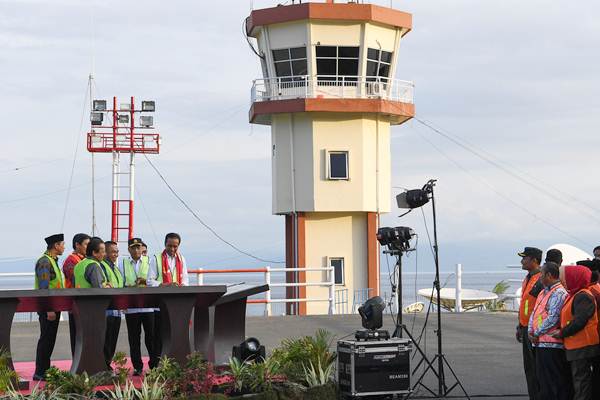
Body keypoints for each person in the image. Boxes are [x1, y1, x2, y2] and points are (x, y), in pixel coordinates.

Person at [528, 262, 572, 400]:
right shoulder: (543, 291)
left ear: (549, 275)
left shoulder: (559, 292)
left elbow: (553, 317)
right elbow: (535, 312)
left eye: (541, 274)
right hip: (540, 342)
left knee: (553, 381)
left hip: (551, 344)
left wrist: (536, 332)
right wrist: (530, 331)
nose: (539, 277)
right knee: (543, 380)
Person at [557, 265, 600, 400]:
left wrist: (561, 333)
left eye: (565, 277)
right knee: (579, 379)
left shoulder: (583, 296)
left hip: (582, 346)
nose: (563, 281)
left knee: (581, 381)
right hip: (576, 345)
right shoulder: (575, 294)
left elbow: (579, 321)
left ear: (574, 278)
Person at [147, 233, 190, 361]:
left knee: (175, 335)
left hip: (177, 304)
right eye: (169, 246)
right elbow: (149, 281)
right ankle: (156, 364)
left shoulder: (182, 259)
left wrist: (181, 286)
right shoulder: (156, 259)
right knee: (159, 336)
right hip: (160, 304)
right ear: (165, 244)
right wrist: (165, 285)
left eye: (175, 246)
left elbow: (186, 280)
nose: (172, 249)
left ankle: (175, 361)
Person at [121, 237, 157, 375]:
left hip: (148, 307)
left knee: (151, 338)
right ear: (129, 249)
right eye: (133, 247)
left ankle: (153, 365)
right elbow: (122, 283)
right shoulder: (123, 263)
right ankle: (137, 367)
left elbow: (154, 280)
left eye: (139, 247)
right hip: (132, 307)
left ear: (142, 248)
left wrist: (144, 282)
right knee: (134, 339)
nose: (136, 250)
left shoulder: (150, 261)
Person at [33, 233, 66, 381]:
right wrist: (49, 309)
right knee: (46, 339)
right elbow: (44, 287)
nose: (64, 247)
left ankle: (45, 370)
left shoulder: (53, 261)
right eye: (62, 244)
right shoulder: (45, 262)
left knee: (49, 339)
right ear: (56, 246)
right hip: (48, 308)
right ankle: (40, 371)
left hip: (54, 307)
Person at [516, 246, 544, 400]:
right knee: (529, 368)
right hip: (525, 327)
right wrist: (520, 325)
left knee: (536, 367)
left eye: (525, 258)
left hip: (535, 330)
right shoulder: (527, 278)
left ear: (534, 260)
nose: (522, 260)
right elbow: (525, 304)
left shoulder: (540, 278)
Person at [62, 233, 91, 357]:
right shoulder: (70, 260)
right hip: (75, 303)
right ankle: (77, 362)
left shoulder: (85, 259)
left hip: (85, 303)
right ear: (77, 245)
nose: (88, 247)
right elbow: (76, 280)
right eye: (86, 244)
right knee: (77, 336)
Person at [100, 241, 124, 369]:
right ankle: (104, 365)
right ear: (105, 253)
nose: (116, 254)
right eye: (113, 251)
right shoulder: (102, 266)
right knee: (106, 341)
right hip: (107, 311)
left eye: (117, 252)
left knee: (112, 340)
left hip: (117, 310)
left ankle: (107, 364)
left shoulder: (115, 267)